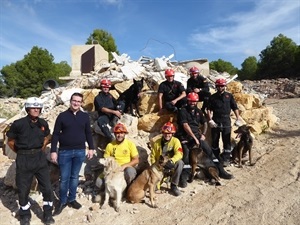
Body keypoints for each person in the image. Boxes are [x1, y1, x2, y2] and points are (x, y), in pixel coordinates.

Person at [6, 97, 55, 225]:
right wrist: (21, 152)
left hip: (39, 158)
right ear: (28, 109)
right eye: (34, 108)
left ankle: (48, 214)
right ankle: (25, 215)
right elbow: (10, 141)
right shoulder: (18, 124)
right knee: (23, 189)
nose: (36, 110)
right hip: (24, 159)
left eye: (38, 108)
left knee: (47, 188)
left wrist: (43, 146)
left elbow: (48, 136)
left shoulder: (43, 123)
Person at [50, 92, 95, 216]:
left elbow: (88, 133)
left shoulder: (84, 117)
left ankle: (72, 199)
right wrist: (53, 150)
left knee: (75, 177)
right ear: (70, 101)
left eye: (78, 101)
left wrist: (91, 148)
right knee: (64, 178)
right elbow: (55, 134)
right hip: (64, 152)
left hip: (80, 151)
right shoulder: (62, 116)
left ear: (81, 103)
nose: (76, 103)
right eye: (74, 101)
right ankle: (63, 201)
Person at [176, 92, 233, 187]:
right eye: (191, 101)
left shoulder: (198, 111)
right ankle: (184, 177)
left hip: (197, 137)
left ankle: (221, 171)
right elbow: (185, 125)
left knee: (210, 153)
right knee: (186, 157)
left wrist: (203, 134)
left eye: (194, 102)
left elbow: (205, 122)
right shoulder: (183, 111)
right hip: (185, 137)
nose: (192, 103)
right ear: (188, 101)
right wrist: (195, 138)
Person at [207, 78, 242, 167]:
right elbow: (209, 109)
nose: (220, 87)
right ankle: (215, 158)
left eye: (222, 86)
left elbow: (235, 107)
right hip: (216, 120)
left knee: (226, 141)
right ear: (216, 86)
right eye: (218, 86)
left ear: (225, 86)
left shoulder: (229, 96)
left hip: (226, 120)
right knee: (215, 141)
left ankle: (226, 159)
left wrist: (238, 118)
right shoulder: (213, 97)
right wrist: (210, 120)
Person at [97, 123, 139, 188]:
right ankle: (110, 193)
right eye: (117, 133)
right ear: (114, 134)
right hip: (112, 169)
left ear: (125, 134)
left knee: (130, 172)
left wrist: (124, 166)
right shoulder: (110, 145)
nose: (119, 135)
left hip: (124, 169)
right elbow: (106, 161)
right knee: (99, 183)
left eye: (122, 133)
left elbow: (136, 160)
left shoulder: (130, 144)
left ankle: (127, 190)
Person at [150, 122, 184, 196]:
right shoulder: (156, 143)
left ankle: (174, 186)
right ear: (162, 133)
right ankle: (160, 182)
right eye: (165, 133)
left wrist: (172, 160)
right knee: (154, 188)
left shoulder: (175, 141)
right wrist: (155, 166)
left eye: (169, 133)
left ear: (172, 134)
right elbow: (152, 156)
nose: (167, 135)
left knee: (180, 163)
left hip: (171, 165)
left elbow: (179, 153)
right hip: (160, 167)